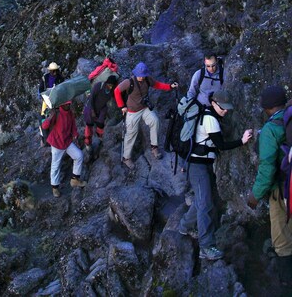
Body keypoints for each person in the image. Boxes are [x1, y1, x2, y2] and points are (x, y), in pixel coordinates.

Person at [176, 91, 252, 261]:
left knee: (201, 199)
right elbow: (221, 145)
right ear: (213, 103)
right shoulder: (210, 119)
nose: (225, 111)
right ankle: (206, 246)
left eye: (227, 108)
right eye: (222, 108)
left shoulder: (208, 114)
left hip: (196, 164)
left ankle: (184, 226)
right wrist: (242, 141)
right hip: (198, 166)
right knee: (205, 205)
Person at [247, 85, 292, 288]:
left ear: (267, 109)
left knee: (281, 239)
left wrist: (255, 196)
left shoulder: (270, 130)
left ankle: (285, 283)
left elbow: (267, 169)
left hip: (282, 188)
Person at [115, 61, 178, 168]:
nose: (141, 77)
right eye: (139, 75)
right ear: (136, 73)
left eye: (143, 75)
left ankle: (154, 147)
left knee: (155, 121)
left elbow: (157, 84)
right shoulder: (128, 82)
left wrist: (170, 86)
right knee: (131, 134)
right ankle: (126, 158)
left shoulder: (147, 79)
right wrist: (122, 106)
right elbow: (116, 91)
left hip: (144, 108)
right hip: (132, 111)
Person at [41, 100, 86, 197]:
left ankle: (75, 179)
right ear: (62, 104)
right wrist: (50, 117)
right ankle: (55, 188)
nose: (69, 105)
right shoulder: (56, 113)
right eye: (67, 104)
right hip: (56, 143)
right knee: (55, 166)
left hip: (67, 141)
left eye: (69, 103)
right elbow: (44, 126)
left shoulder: (70, 113)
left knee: (79, 155)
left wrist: (75, 134)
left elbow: (73, 125)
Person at [84, 75, 119, 155]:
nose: (109, 87)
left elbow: (117, 95)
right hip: (91, 106)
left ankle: (99, 136)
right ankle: (88, 142)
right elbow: (91, 98)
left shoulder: (112, 91)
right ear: (106, 83)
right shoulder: (99, 86)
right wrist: (92, 110)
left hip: (101, 108)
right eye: (108, 85)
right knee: (89, 124)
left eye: (111, 86)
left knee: (100, 123)